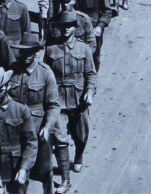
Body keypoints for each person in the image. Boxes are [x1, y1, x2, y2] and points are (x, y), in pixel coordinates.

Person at [44, 12, 97, 191]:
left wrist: (89, 91)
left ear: (75, 27)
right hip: (58, 100)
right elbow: (46, 75)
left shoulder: (84, 49)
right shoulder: (51, 49)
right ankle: (66, 180)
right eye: (63, 26)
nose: (66, 30)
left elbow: (91, 74)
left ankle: (79, 155)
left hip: (78, 99)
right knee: (60, 139)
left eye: (69, 26)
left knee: (81, 136)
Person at [9, 35, 59, 194]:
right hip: (16, 130)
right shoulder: (12, 71)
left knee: (44, 171)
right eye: (23, 53)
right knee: (19, 172)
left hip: (38, 131)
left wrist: (47, 126)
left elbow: (53, 105)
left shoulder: (45, 73)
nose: (25, 56)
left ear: (37, 52)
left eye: (29, 52)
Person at [69, 0, 113, 72]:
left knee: (94, 56)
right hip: (76, 28)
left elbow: (107, 11)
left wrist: (100, 26)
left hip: (93, 29)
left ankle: (92, 80)